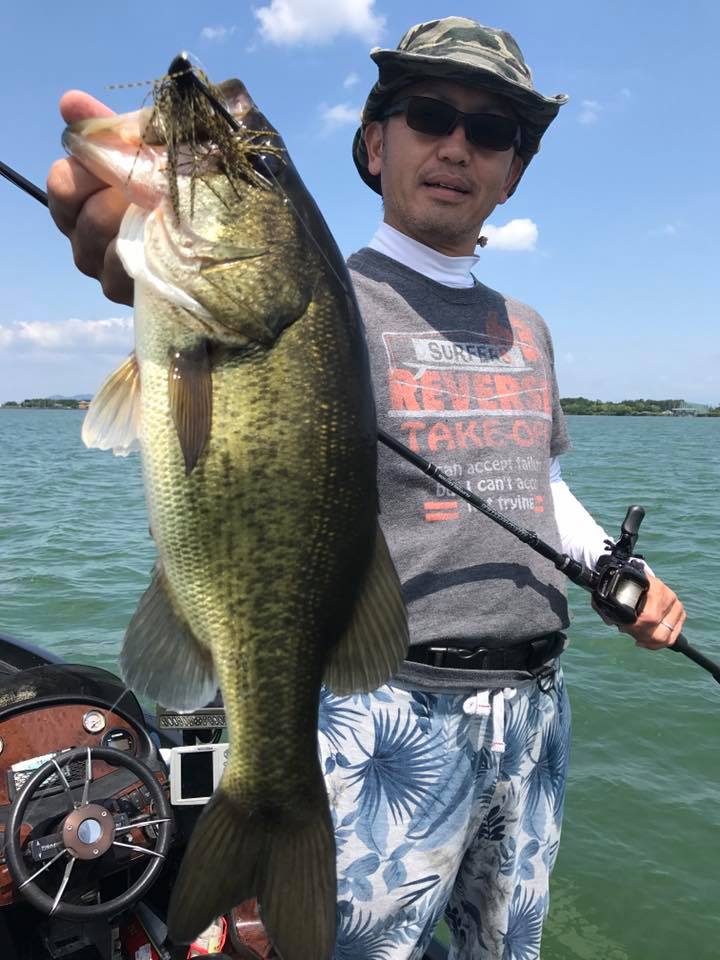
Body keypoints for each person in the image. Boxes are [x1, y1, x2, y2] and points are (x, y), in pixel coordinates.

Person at [47, 16, 686, 960]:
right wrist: (143, 264)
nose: (457, 146)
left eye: (493, 131)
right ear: (374, 144)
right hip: (388, 705)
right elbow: (215, 369)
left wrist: (613, 569)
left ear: (514, 172)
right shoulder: (325, 298)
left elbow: (536, 479)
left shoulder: (528, 327)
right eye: (428, 115)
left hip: (535, 708)